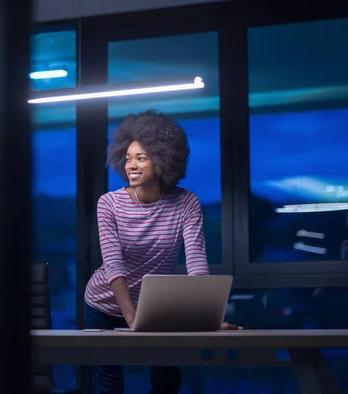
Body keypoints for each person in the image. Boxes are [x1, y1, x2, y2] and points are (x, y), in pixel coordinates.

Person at [84, 109, 239, 394]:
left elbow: (196, 263)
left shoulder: (186, 203)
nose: (131, 165)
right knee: (110, 385)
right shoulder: (108, 203)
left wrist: (208, 316)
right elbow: (113, 264)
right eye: (128, 158)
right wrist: (131, 318)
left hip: (155, 309)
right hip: (104, 304)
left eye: (141, 158)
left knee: (167, 381)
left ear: (163, 159)